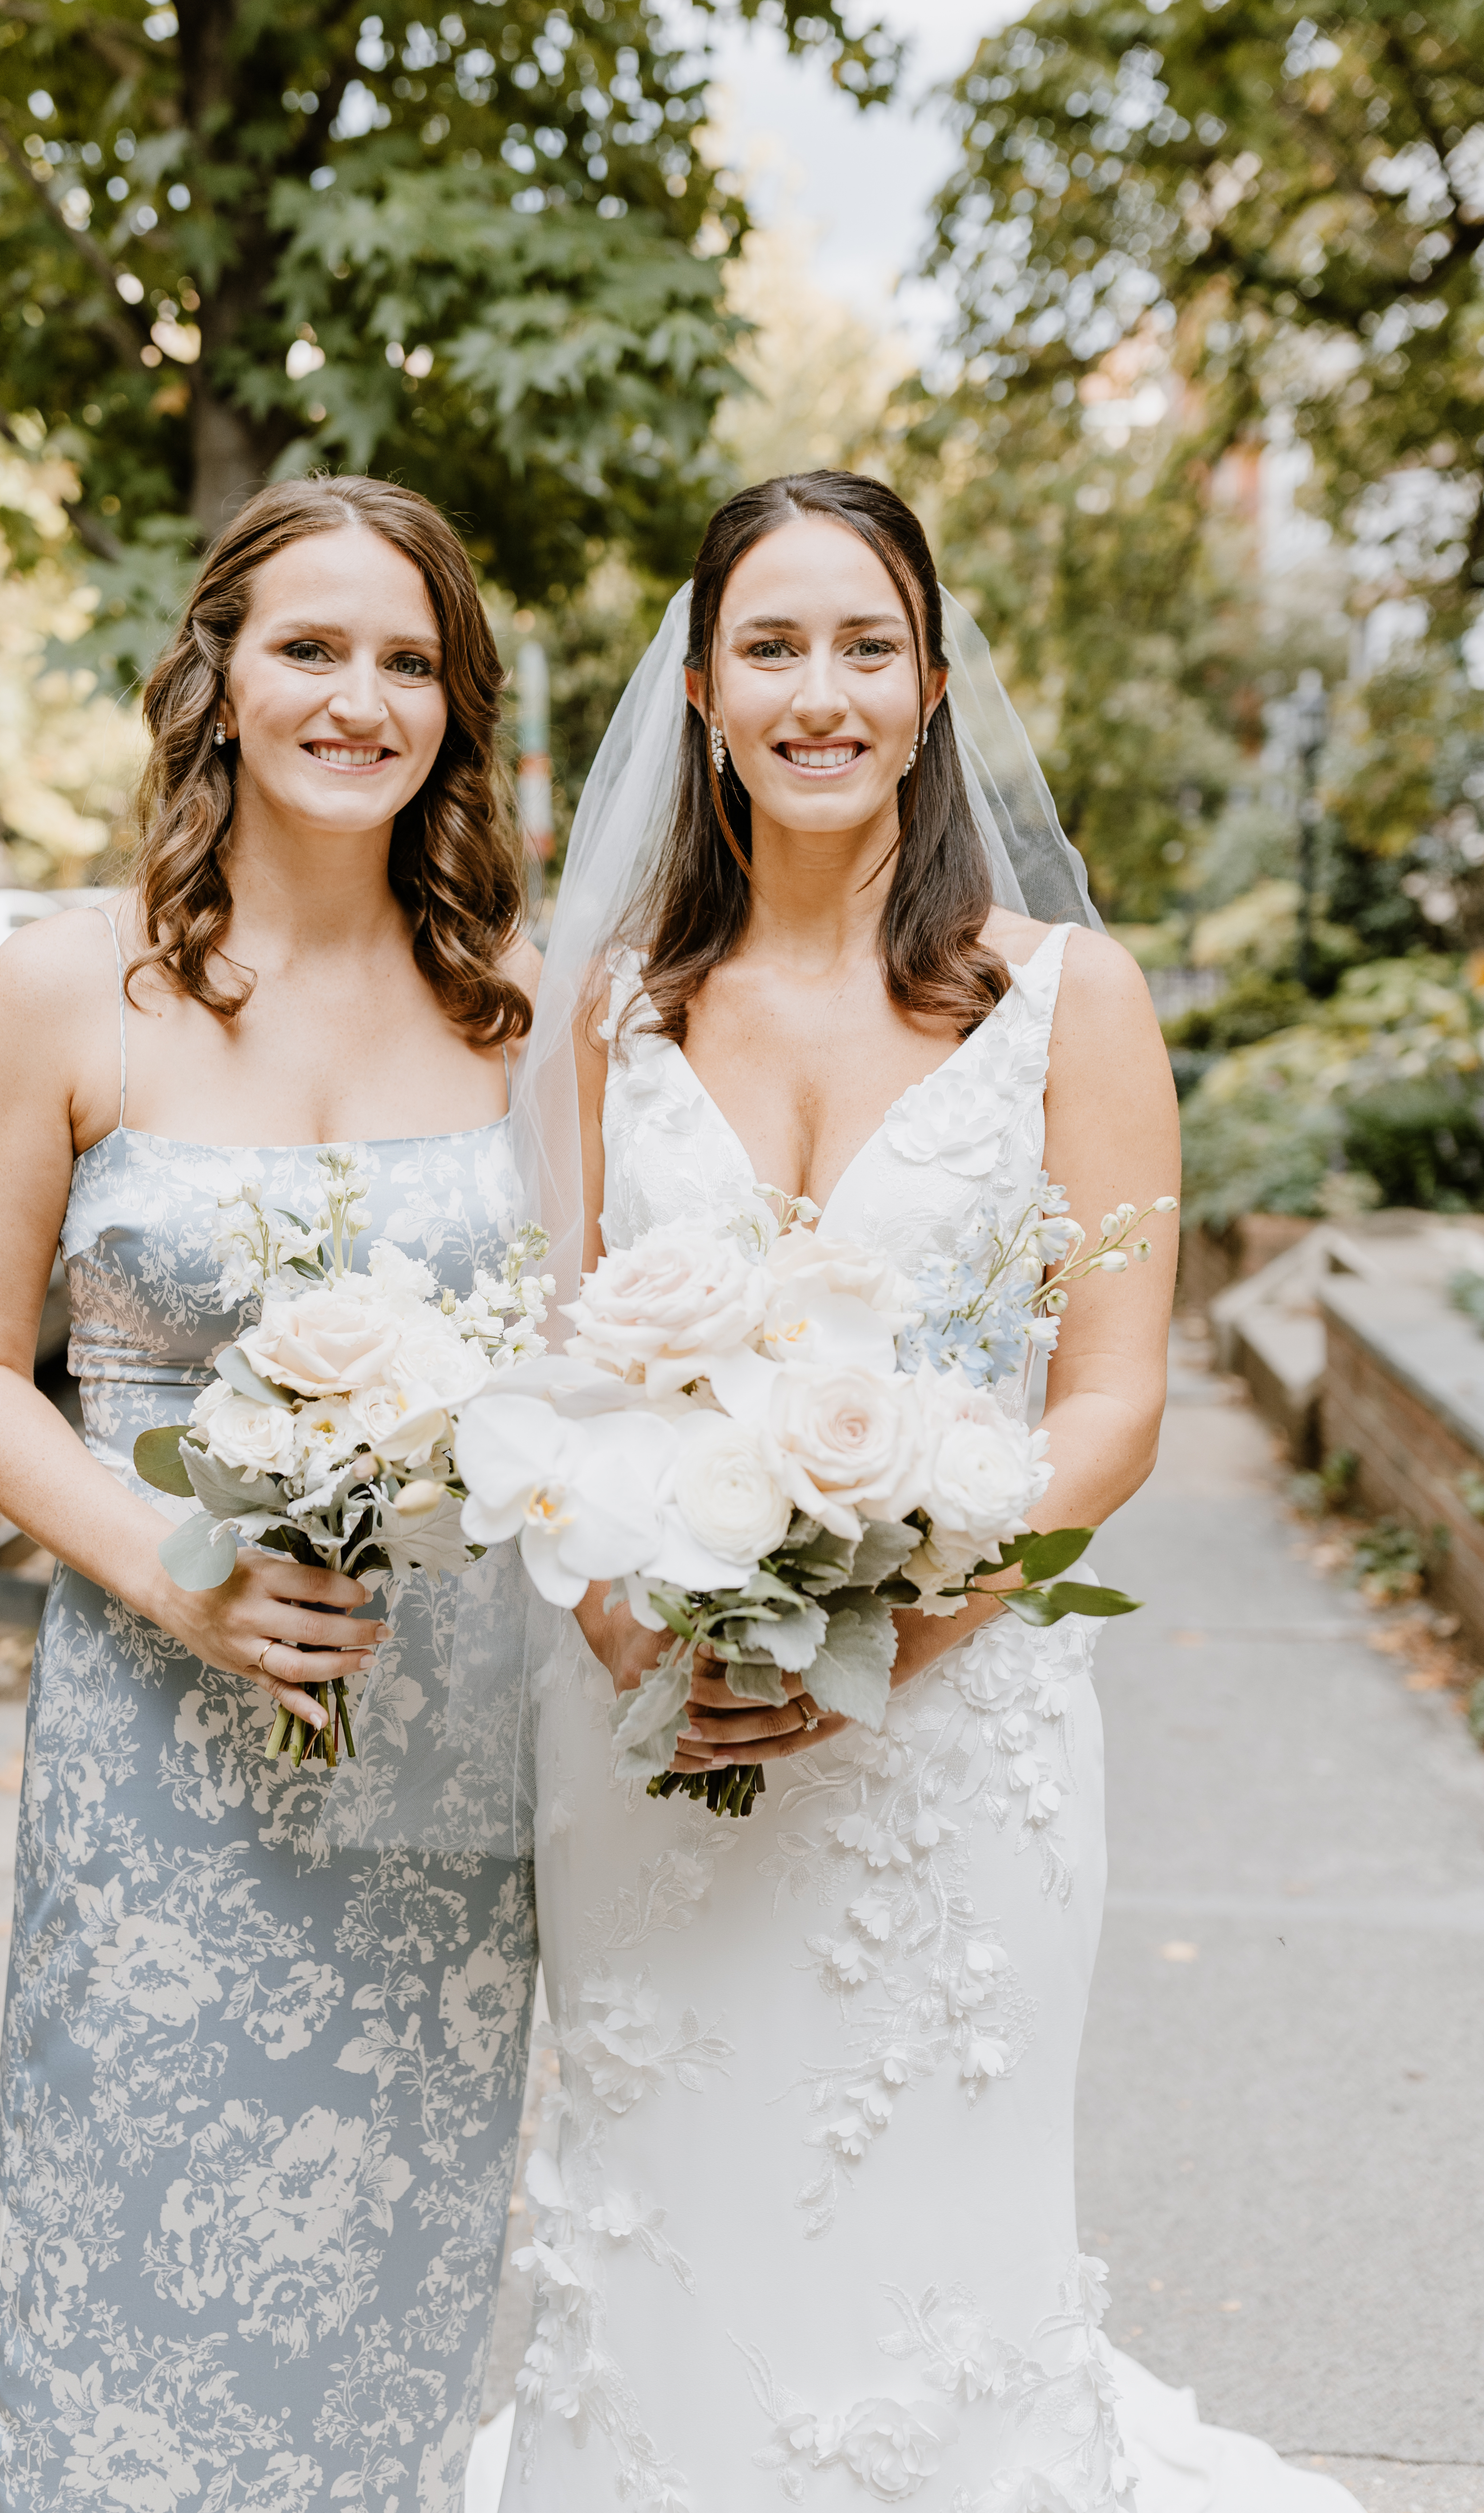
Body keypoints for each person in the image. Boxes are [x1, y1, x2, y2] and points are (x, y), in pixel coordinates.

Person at [500, 472, 1357, 2510]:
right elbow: (552, 1379)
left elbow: (1113, 1402)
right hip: (651, 1726)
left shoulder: (1071, 999)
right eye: (773, 647)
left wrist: (898, 1621)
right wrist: (618, 1603)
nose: (821, 691)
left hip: (956, 1746)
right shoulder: (606, 1008)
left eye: (864, 645)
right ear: (702, 691)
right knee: (672, 2231)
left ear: (933, 685)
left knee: (926, 2260)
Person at [0, 476, 543, 2513]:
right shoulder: (63, 986)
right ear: (217, 676)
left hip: (451, 1752)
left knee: (397, 2304)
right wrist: (175, 1569)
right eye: (310, 648)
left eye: (405, 660)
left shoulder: (529, 1011)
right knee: (127, 2272)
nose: (358, 698)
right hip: (158, 1752)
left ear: (455, 704)